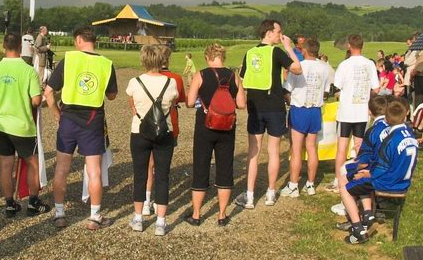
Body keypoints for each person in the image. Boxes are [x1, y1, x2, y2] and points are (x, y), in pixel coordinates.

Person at [44, 26, 118, 229]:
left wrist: (57, 115)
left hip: (68, 120)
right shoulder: (106, 63)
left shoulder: (68, 59)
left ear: (78, 40)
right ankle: (94, 216)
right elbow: (112, 95)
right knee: (94, 171)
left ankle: (60, 213)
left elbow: (48, 93)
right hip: (93, 121)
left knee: (61, 168)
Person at [241, 19, 305, 208]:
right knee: (273, 151)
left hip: (255, 107)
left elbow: (244, 76)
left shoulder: (250, 53)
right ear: (269, 33)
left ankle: (249, 195)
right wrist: (289, 47)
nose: (280, 35)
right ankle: (270, 192)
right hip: (275, 107)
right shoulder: (276, 52)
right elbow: (297, 69)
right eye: (278, 32)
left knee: (253, 152)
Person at [337, 99, 417, 244]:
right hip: (403, 181)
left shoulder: (389, 140)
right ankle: (367, 215)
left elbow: (380, 167)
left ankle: (358, 230)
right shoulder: (410, 134)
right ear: (405, 115)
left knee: (345, 186)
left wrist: (367, 173)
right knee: (360, 177)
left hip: (388, 182)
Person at [0, 33, 47, 217]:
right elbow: (36, 100)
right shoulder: (28, 70)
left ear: (3, 46)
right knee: (32, 164)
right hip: (22, 125)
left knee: (5, 164)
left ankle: (10, 204)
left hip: (1, 124)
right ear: (21, 47)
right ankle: (33, 202)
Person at [188, 43, 245, 226]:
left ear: (207, 57)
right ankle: (221, 215)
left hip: (205, 125)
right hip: (227, 126)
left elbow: (190, 102)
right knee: (225, 169)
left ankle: (196, 214)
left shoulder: (201, 75)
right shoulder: (233, 76)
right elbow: (242, 104)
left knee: (200, 167)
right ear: (223, 57)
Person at [126, 44, 180, 235]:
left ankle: (138, 218)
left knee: (140, 175)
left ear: (143, 60)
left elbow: (132, 104)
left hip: (139, 131)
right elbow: (173, 103)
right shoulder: (170, 82)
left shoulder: (135, 82)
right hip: (164, 132)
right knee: (163, 176)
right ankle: (161, 222)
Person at [281, 38, 333, 197]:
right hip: (315, 109)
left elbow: (287, 89)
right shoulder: (325, 67)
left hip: (300, 108)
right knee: (312, 148)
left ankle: (293, 185)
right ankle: (310, 184)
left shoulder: (299, 66)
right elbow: (326, 91)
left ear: (304, 50)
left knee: (296, 150)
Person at [332, 34, 379, 190]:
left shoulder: (344, 65)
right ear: (362, 46)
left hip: (346, 111)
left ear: (349, 46)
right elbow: (376, 88)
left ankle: (338, 179)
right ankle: (357, 177)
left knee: (342, 147)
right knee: (359, 146)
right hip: (362, 111)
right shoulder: (369, 64)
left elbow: (337, 85)